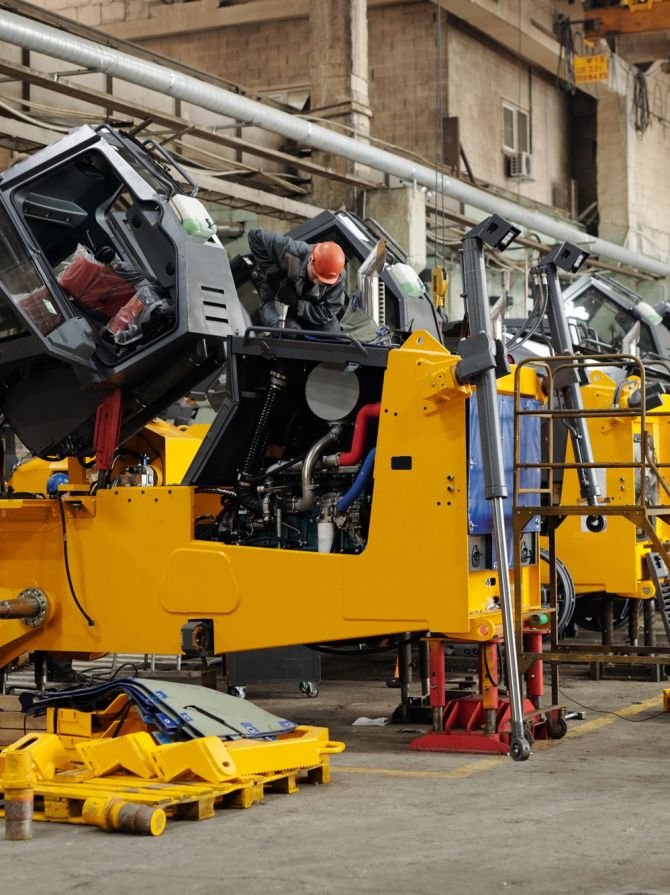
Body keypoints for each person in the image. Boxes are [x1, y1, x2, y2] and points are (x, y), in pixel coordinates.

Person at [247, 228, 346, 332]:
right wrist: (275, 277)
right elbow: (255, 237)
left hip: (306, 307)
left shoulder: (337, 276)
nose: (317, 282)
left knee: (334, 336)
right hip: (275, 299)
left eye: (323, 282)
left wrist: (298, 304)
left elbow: (327, 312)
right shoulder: (291, 250)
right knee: (290, 331)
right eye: (316, 275)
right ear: (310, 259)